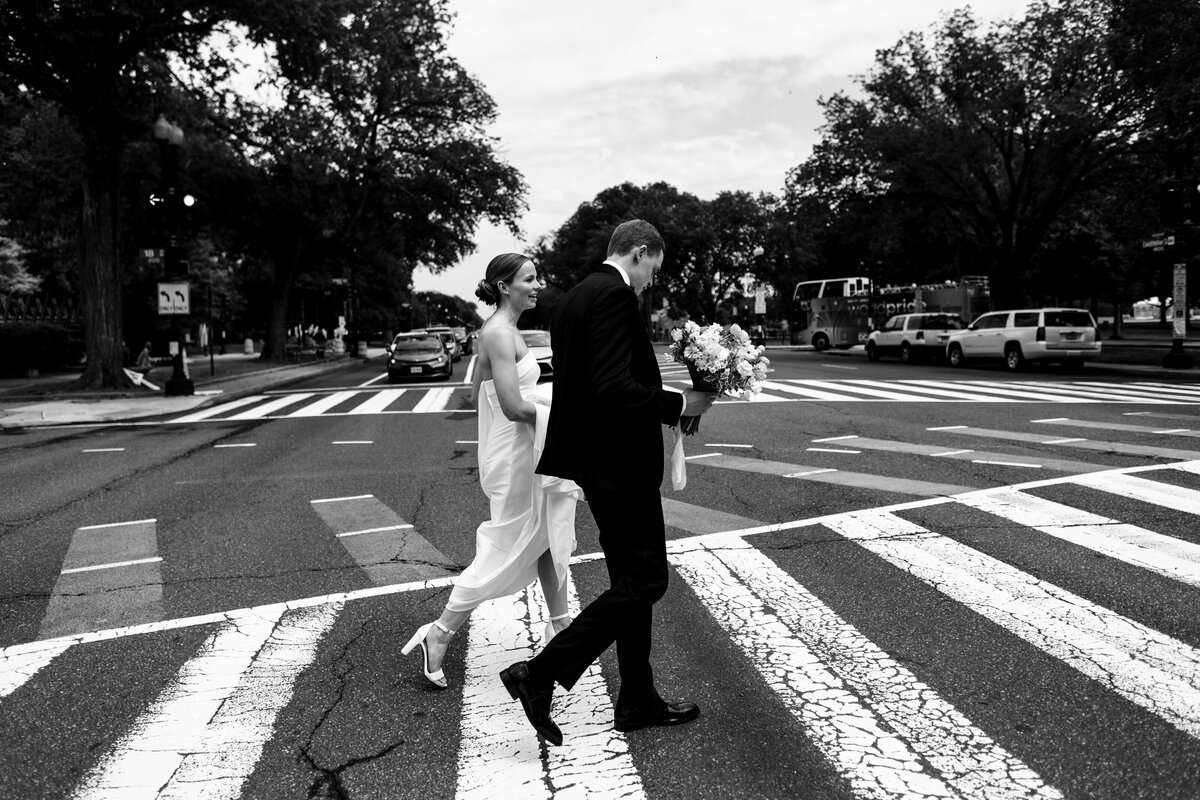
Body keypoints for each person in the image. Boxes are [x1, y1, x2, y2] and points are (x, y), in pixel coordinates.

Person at [499, 220, 718, 746]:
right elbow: (613, 387)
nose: (650, 282)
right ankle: (540, 673)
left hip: (596, 463)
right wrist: (680, 404)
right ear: (639, 253)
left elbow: (592, 380)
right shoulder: (615, 296)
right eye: (653, 270)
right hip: (620, 464)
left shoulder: (574, 298)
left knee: (629, 580)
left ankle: (637, 700)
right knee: (648, 580)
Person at [401, 253, 579, 689]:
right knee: (507, 543)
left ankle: (561, 627)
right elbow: (515, 407)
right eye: (529, 279)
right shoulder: (498, 332)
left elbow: (472, 392)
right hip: (517, 453)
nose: (538, 285)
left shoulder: (500, 330)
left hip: (520, 447)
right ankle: (440, 631)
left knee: (544, 536)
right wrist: (565, 413)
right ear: (504, 286)